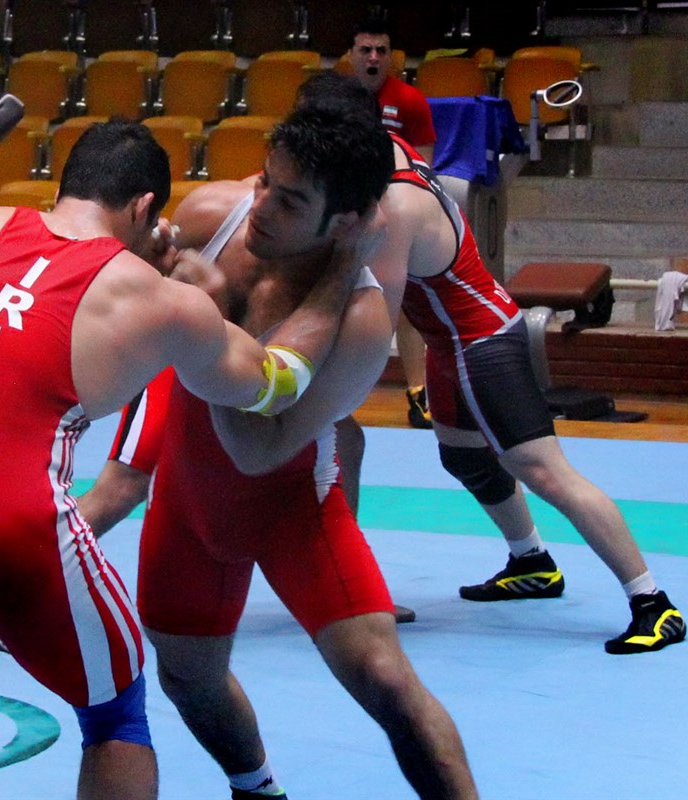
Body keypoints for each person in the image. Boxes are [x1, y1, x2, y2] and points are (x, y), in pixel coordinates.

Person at [0, 120, 357, 800]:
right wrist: (343, 272)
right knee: (115, 717)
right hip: (20, 534)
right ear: (145, 208)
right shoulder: (161, 301)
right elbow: (275, 383)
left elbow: (20, 300)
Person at [137, 107, 477, 799]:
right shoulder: (212, 217)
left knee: (385, 678)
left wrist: (211, 320)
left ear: (346, 222)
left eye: (290, 202)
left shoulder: (361, 319)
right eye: (265, 181)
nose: (261, 207)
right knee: (188, 677)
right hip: (188, 500)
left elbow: (256, 449)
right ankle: (258, 790)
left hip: (292, 510)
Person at [298, 72, 686, 656]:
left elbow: (379, 317)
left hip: (481, 342)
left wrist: (321, 379)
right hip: (452, 341)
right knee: (463, 456)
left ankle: (653, 602)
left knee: (545, 471)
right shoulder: (385, 152)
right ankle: (532, 561)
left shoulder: (395, 204)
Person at [348, 16, 436, 430]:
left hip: (395, 218)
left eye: (380, 51)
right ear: (352, 55)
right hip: (348, 217)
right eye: (365, 50)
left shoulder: (411, 102)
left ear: (391, 58)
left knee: (406, 305)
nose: (373, 58)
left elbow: (424, 169)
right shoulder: (339, 101)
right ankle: (335, 396)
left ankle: (418, 394)